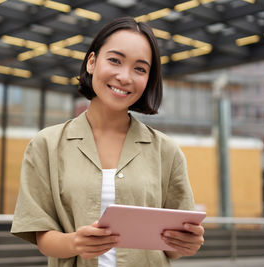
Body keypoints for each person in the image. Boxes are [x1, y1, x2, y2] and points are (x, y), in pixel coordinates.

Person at [11, 17, 204, 267]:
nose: (124, 77)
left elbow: (174, 245)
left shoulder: (166, 151)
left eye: (140, 69)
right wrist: (75, 243)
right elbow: (42, 235)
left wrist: (187, 244)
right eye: (115, 60)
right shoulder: (46, 145)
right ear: (92, 62)